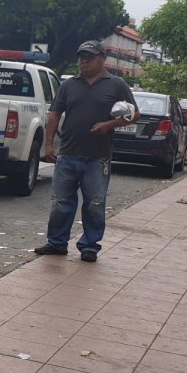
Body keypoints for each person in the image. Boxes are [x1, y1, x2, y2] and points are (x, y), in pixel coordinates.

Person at [34, 41, 137, 263]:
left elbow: (134, 115)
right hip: (68, 154)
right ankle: (57, 242)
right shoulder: (69, 85)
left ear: (103, 59)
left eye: (89, 57)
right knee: (61, 202)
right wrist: (49, 145)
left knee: (95, 204)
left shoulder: (116, 84)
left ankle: (89, 246)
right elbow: (54, 114)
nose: (84, 61)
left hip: (97, 158)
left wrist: (108, 125)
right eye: (81, 57)